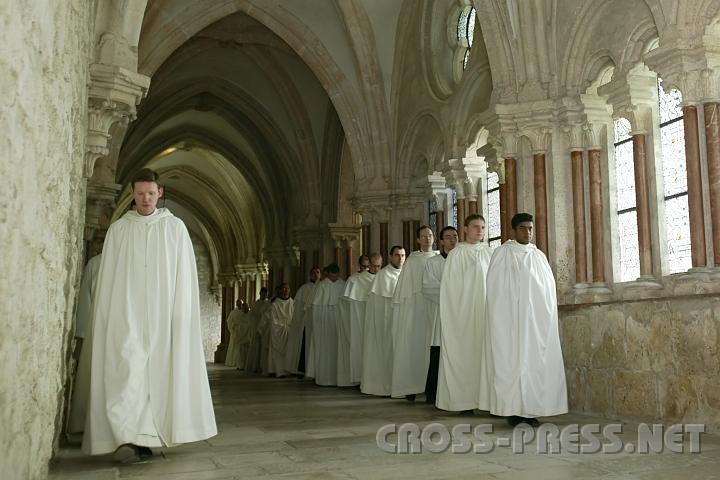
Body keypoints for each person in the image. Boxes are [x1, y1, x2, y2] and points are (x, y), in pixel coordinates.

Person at [83, 168, 216, 461]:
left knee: (158, 375)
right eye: (140, 193)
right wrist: (110, 316)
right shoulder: (120, 230)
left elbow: (184, 277)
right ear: (132, 193)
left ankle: (148, 436)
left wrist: (180, 316)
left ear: (160, 193)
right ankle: (126, 437)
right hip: (126, 315)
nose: (146, 199)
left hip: (163, 317)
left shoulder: (175, 228)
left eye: (151, 193)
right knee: (126, 371)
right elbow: (109, 279)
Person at [479, 213, 568, 427]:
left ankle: (531, 410)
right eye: (522, 228)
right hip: (509, 321)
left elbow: (547, 291)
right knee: (511, 364)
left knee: (534, 364)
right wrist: (506, 314)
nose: (527, 232)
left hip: (535, 322)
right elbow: (495, 289)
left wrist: (542, 316)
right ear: (513, 230)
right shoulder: (503, 253)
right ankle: (512, 410)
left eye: (530, 228)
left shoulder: (538, 256)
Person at [436, 214, 492, 413]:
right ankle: (464, 401)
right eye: (476, 226)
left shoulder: (489, 253)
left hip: (485, 313)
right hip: (464, 315)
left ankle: (486, 401)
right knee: (465, 357)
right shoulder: (457, 254)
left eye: (483, 227)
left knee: (485, 357)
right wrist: (457, 315)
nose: (480, 231)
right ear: (466, 229)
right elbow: (450, 288)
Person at [390, 226, 437, 400]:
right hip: (416, 309)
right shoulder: (412, 260)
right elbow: (405, 291)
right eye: (423, 236)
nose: (427, 239)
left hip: (434, 309)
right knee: (415, 347)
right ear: (418, 240)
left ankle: (431, 387)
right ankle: (412, 385)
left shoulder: (439, 258)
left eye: (430, 235)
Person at [361, 246, 405, 396]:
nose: (400, 259)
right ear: (391, 257)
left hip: (402, 322)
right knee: (386, 352)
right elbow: (378, 304)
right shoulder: (383, 275)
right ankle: (384, 386)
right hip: (386, 322)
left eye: (403, 255)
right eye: (397, 255)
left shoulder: (406, 273)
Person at [422, 226, 458, 405]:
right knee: (438, 353)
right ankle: (433, 393)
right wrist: (452, 295)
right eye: (448, 237)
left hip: (462, 315)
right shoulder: (433, 263)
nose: (452, 240)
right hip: (442, 313)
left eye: (455, 236)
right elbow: (428, 287)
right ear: (441, 241)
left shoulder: (463, 258)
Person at [67, 251, 102, 434]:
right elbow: (86, 300)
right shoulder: (95, 263)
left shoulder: (96, 263)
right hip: (96, 330)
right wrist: (83, 334)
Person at [338, 255, 377, 386]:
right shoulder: (354, 280)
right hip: (358, 320)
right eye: (365, 266)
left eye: (369, 266)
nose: (368, 268)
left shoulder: (380, 277)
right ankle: (359, 377)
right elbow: (346, 304)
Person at [309, 264, 346, 386]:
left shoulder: (342, 284)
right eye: (332, 276)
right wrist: (317, 322)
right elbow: (316, 306)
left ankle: (338, 378)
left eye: (336, 276)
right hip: (324, 321)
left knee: (337, 348)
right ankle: (324, 378)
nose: (334, 279)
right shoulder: (323, 285)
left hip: (338, 320)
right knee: (325, 348)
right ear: (328, 274)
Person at [284, 267, 321, 377]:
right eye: (313, 273)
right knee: (305, 345)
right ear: (310, 275)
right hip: (306, 323)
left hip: (318, 322)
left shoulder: (322, 287)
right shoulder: (304, 289)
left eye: (318, 273)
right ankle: (302, 369)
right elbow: (299, 308)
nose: (316, 275)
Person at [267, 283, 294, 377]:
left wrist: (291, 328)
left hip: (290, 331)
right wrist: (282, 328)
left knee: (289, 351)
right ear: (280, 290)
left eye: (287, 288)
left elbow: (295, 318)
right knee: (277, 352)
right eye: (284, 288)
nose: (286, 290)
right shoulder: (275, 304)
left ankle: (289, 370)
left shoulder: (292, 303)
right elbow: (273, 320)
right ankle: (278, 371)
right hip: (278, 331)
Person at [225, 300, 251, 370]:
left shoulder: (250, 314)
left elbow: (251, 324)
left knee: (246, 352)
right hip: (238, 334)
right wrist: (234, 329)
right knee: (240, 351)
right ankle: (239, 365)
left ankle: (246, 365)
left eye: (245, 307)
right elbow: (229, 322)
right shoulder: (234, 312)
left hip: (248, 336)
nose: (243, 309)